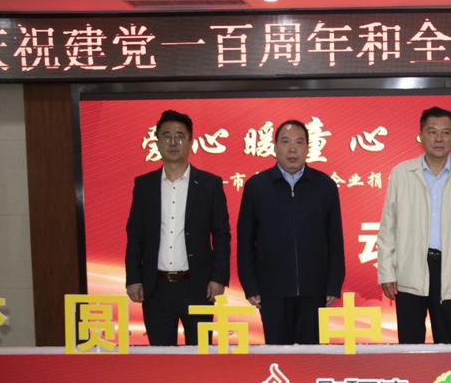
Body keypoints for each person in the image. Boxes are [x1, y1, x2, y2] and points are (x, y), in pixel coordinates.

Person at [377, 106, 451, 344]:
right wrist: (386, 271)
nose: (439, 138)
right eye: (432, 132)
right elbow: (388, 228)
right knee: (409, 346)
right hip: (410, 269)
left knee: (448, 346)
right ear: (421, 135)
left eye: (445, 132)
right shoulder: (402, 173)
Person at [125, 110, 231, 346]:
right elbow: (135, 234)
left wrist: (218, 278)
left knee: (200, 355)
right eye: (167, 136)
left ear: (191, 142)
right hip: (156, 288)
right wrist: (133, 278)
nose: (173, 142)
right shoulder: (144, 185)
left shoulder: (209, 184)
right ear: (157, 143)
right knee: (161, 358)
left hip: (198, 286)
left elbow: (221, 235)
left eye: (180, 136)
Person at [237, 119, 345, 344]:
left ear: (308, 147)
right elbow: (245, 242)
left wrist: (333, 283)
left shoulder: (324, 186)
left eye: (298, 142)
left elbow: (335, 240)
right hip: (271, 291)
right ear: (275, 147)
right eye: (285, 142)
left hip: (314, 291)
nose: (292, 149)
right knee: (277, 355)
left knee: (309, 356)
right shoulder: (257, 186)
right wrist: (250, 285)